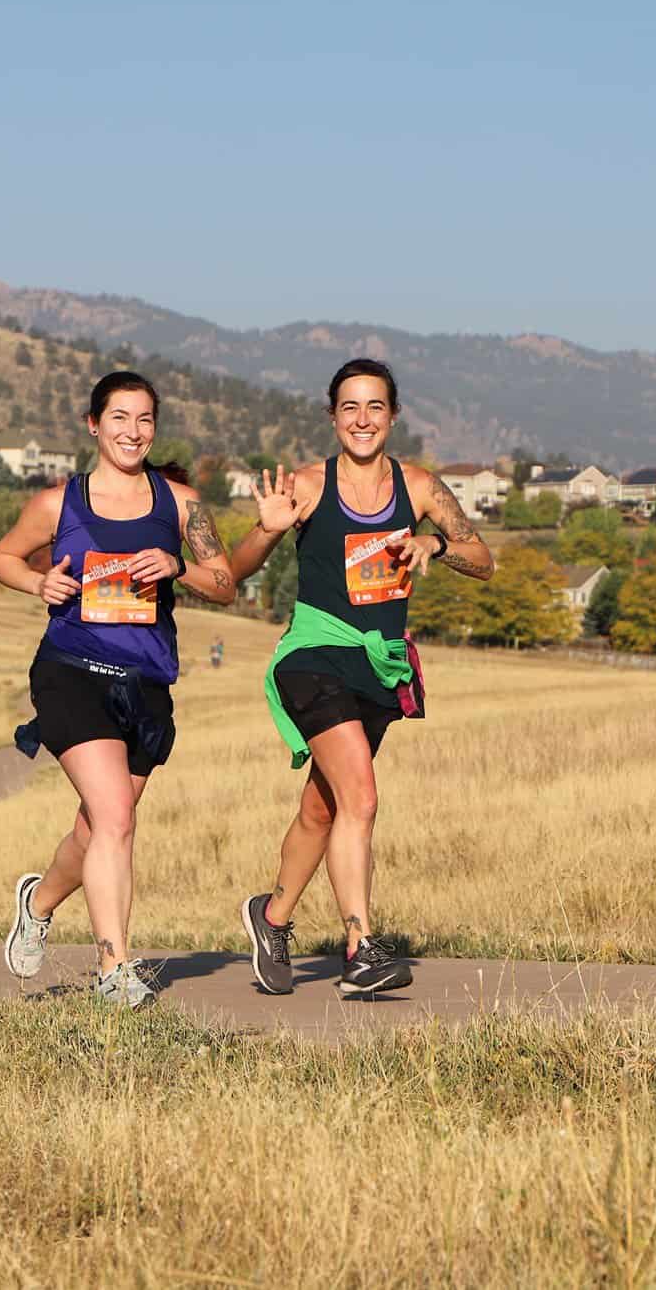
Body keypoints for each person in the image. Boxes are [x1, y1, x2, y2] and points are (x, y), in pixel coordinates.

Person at [228, 358, 493, 997]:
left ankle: (271, 918)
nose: (363, 419)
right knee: (364, 799)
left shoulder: (423, 487)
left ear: (393, 415)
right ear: (332, 417)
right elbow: (234, 570)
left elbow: (484, 560)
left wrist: (437, 546)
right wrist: (267, 532)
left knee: (325, 808)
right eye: (350, 407)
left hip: (377, 665)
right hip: (313, 655)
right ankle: (361, 948)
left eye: (375, 406)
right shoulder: (307, 485)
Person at [0, 372, 236, 1009]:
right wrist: (38, 586)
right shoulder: (58, 502)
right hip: (71, 669)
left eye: (146, 420)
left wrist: (181, 565)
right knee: (118, 820)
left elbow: (226, 581)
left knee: (96, 828)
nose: (134, 431)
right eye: (121, 418)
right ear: (93, 425)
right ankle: (115, 968)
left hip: (147, 681)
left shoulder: (181, 503)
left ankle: (38, 902)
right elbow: (5, 557)